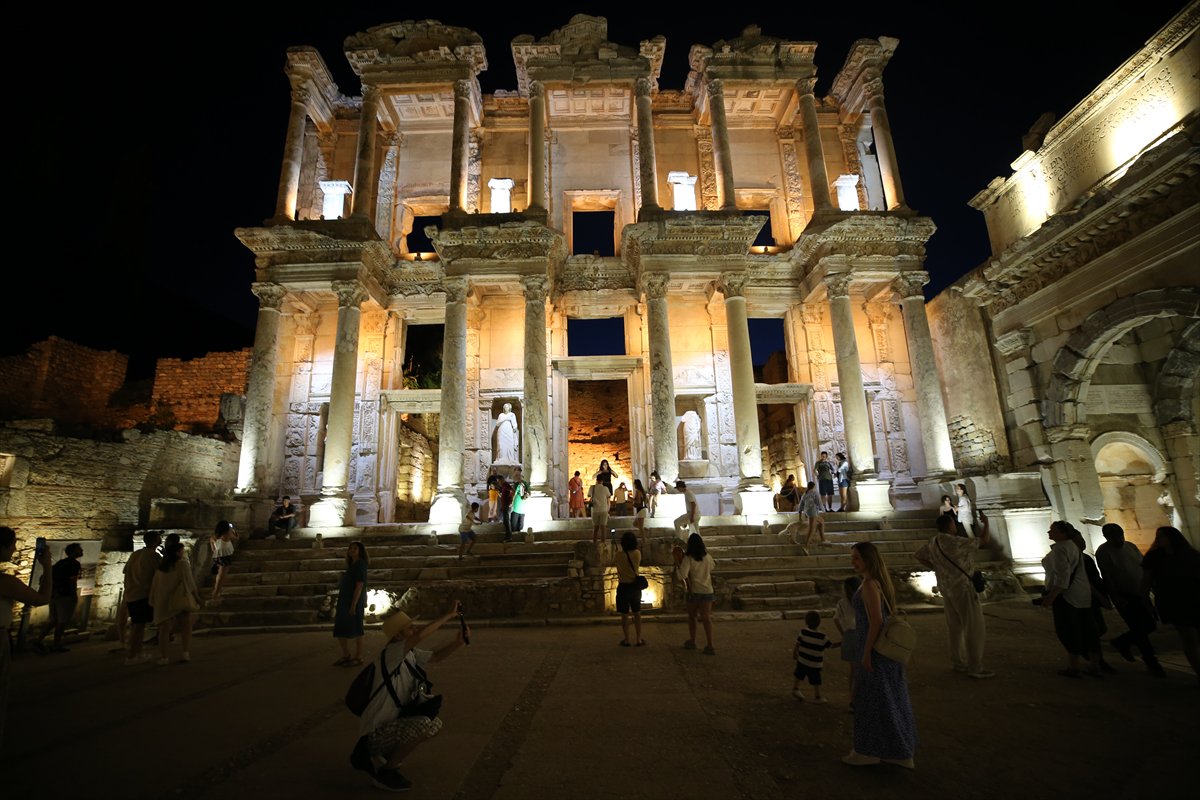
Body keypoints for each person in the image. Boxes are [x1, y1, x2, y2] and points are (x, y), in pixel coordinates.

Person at [351, 603, 469, 791]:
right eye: (410, 628)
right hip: (374, 735)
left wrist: (458, 643)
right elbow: (420, 635)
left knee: (434, 724)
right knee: (422, 725)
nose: (414, 630)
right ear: (398, 636)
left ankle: (388, 756)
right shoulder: (391, 654)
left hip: (390, 726)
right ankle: (386, 773)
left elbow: (436, 657)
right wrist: (449, 615)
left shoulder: (408, 654)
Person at [842, 541, 917, 768]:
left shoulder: (869, 585)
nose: (853, 562)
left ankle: (868, 751)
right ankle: (897, 751)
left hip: (873, 649)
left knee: (871, 702)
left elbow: (876, 621)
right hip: (879, 649)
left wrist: (866, 653)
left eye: (857, 558)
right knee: (888, 700)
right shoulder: (877, 582)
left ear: (868, 559)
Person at [914, 510, 995, 679]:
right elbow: (984, 540)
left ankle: (959, 662)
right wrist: (986, 522)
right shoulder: (955, 541)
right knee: (973, 627)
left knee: (955, 627)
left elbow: (918, 555)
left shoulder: (934, 541)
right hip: (963, 588)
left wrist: (938, 567)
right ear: (950, 526)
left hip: (946, 588)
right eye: (953, 523)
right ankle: (975, 666)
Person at [1, 527, 53, 748]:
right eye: (12, 544)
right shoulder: (5, 582)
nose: (15, 549)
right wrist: (47, 566)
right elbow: (42, 599)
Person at [1096, 523, 1164, 677]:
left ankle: (1122, 642)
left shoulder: (1130, 546)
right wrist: (1115, 597)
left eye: (1119, 535)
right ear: (1107, 537)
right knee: (1139, 628)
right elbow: (1107, 576)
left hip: (1139, 593)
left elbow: (1141, 566)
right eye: (1113, 537)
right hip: (1124, 595)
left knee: (1149, 625)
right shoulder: (1104, 552)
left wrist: (1149, 587)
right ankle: (1152, 662)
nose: (1118, 539)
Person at [1036, 521, 1101, 678]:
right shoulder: (1073, 546)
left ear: (1062, 533)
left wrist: (1051, 596)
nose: (1048, 532)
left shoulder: (1060, 549)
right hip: (1082, 594)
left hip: (1066, 596)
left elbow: (1062, 576)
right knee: (1087, 630)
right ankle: (1094, 665)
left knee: (1069, 630)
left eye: (1052, 530)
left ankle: (1074, 666)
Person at [1140, 526, 1200, 685]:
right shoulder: (1154, 557)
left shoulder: (1189, 554)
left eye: (1162, 536)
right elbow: (1146, 581)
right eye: (1158, 536)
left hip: (1194, 597)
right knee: (1189, 637)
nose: (1159, 539)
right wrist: (1146, 600)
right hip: (1173, 601)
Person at [1071, 527, 1117, 675]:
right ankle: (1096, 661)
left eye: (1082, 539)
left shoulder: (1086, 558)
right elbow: (1086, 581)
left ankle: (1091, 655)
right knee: (1095, 629)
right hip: (1086, 598)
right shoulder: (1076, 560)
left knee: (1099, 628)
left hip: (1092, 597)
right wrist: (1101, 597)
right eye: (1078, 540)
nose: (1082, 542)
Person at [149, 538, 200, 665]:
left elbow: (155, 585)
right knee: (186, 627)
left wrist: (153, 600)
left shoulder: (161, 568)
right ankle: (185, 652)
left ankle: (164, 657)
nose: (183, 553)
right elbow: (190, 583)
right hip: (180, 599)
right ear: (177, 552)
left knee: (164, 630)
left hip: (164, 600)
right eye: (182, 551)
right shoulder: (182, 564)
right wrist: (197, 598)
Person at [35, 542, 83, 654]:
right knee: (62, 622)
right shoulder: (74, 564)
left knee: (53, 620)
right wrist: (73, 596)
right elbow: (72, 581)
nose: (81, 551)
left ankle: (38, 640)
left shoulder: (61, 563)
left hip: (54, 595)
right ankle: (56, 645)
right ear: (72, 552)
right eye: (79, 549)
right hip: (65, 596)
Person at [123, 530, 162, 665]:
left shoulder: (136, 554)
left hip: (131, 593)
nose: (161, 539)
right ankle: (131, 656)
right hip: (143, 594)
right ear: (155, 541)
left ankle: (138, 652)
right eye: (159, 537)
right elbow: (162, 572)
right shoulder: (153, 556)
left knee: (138, 625)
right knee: (138, 627)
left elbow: (125, 571)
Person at [674, 532, 716, 655]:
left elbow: (682, 575)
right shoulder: (708, 557)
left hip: (694, 591)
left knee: (692, 617)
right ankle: (710, 644)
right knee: (706, 618)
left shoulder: (688, 559)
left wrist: (678, 563)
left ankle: (692, 641)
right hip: (707, 590)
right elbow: (712, 567)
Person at [333, 541, 369, 667]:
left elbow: (359, 585)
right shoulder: (352, 564)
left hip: (354, 601)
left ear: (360, 551)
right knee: (340, 626)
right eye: (350, 548)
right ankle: (346, 654)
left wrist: (353, 605)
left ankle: (358, 656)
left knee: (357, 628)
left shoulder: (360, 564)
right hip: (345, 600)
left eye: (355, 548)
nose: (352, 550)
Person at [793, 609, 837, 703]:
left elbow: (797, 643)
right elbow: (831, 646)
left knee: (799, 675)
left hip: (802, 659)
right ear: (819, 622)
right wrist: (842, 643)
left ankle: (796, 689)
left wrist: (795, 653)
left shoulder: (803, 632)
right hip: (814, 663)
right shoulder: (822, 636)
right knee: (816, 680)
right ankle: (817, 697)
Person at [613, 532, 646, 647]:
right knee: (637, 613)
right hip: (634, 587)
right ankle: (638, 639)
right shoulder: (637, 553)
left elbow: (617, 563)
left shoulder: (618, 555)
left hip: (623, 587)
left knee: (624, 614)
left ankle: (627, 639)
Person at [834, 576, 860, 705]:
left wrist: (844, 634)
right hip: (862, 635)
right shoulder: (863, 601)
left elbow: (836, 619)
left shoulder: (842, 603)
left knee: (853, 671)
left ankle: (852, 700)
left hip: (849, 636)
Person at [208, 520, 238, 604]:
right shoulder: (227, 534)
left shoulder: (213, 537)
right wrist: (233, 531)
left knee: (220, 575)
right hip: (225, 556)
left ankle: (216, 592)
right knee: (221, 576)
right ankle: (215, 593)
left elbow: (213, 549)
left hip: (218, 556)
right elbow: (236, 538)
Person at [798, 481, 825, 551]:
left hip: (808, 512)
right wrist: (823, 510)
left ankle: (823, 540)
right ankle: (806, 546)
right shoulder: (814, 492)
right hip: (812, 512)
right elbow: (819, 502)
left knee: (821, 522)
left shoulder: (805, 494)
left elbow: (801, 505)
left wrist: (800, 515)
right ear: (813, 486)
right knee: (811, 530)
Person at [590, 476, 612, 544]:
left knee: (595, 528)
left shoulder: (592, 488)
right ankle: (603, 543)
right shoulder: (605, 488)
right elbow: (608, 499)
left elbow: (589, 496)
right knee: (603, 528)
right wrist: (608, 508)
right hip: (604, 509)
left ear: (596, 480)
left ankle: (594, 542)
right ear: (602, 481)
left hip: (595, 510)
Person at [509, 468, 528, 539]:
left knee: (519, 526)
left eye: (519, 475)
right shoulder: (516, 484)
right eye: (516, 475)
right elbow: (513, 494)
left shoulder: (524, 484)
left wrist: (526, 495)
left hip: (521, 507)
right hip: (517, 507)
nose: (518, 477)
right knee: (515, 526)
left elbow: (528, 492)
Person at [632, 479, 649, 550]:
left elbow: (638, 501)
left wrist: (632, 499)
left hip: (641, 510)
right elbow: (646, 500)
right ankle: (645, 530)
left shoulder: (638, 491)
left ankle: (644, 541)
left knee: (640, 527)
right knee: (635, 524)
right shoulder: (643, 491)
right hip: (643, 509)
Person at [497, 476, 514, 542]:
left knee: (507, 521)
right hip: (504, 506)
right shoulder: (503, 486)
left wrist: (511, 502)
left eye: (499, 481)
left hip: (507, 506)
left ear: (502, 480)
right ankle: (508, 535)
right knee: (505, 521)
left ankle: (509, 537)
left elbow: (512, 491)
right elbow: (504, 495)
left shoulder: (506, 485)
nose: (498, 483)